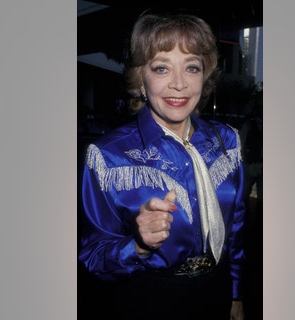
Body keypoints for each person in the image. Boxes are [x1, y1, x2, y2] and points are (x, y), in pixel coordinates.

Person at [78, 11, 246, 320]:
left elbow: (235, 231)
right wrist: (138, 246)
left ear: (204, 76)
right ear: (140, 79)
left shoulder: (227, 142)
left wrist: (235, 294)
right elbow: (93, 257)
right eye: (161, 68)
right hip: (148, 300)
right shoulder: (108, 157)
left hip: (216, 292)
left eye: (192, 67)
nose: (180, 84)